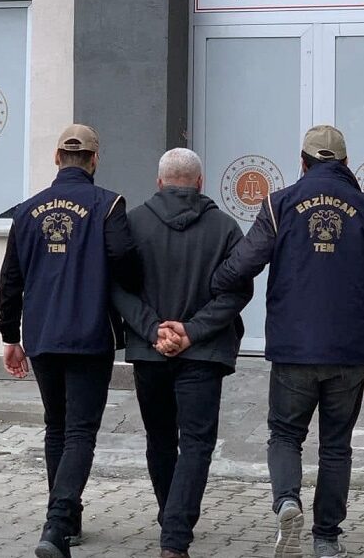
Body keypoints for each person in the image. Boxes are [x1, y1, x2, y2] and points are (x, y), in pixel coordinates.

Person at [212, 125, 364, 558]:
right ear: (347, 163)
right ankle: (326, 539)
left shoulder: (279, 204)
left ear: (302, 163)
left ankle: (287, 501)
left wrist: (209, 285)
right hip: (349, 352)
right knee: (336, 445)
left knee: (284, 433)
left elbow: (244, 263)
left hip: (293, 348)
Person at [0, 124, 139, 558]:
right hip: (89, 334)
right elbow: (125, 259)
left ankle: (67, 520)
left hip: (41, 335)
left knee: (56, 425)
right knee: (79, 430)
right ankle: (58, 525)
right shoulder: (108, 205)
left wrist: (10, 335)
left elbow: (10, 279)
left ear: (57, 158)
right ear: (94, 160)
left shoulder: (26, 210)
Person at [111, 148, 253, 558]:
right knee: (196, 442)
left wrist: (152, 329)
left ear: (159, 182)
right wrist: (192, 332)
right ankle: (174, 536)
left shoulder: (132, 223)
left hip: (150, 351)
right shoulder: (226, 227)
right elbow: (239, 290)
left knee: (159, 438)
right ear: (200, 183)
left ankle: (169, 518)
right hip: (203, 354)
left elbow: (117, 286)